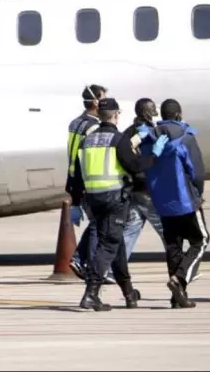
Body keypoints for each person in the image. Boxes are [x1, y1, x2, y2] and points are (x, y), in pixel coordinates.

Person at [77, 98, 170, 311]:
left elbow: (76, 173)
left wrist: (75, 201)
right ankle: (91, 292)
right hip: (114, 200)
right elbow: (135, 165)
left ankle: (129, 294)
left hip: (92, 199)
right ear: (116, 115)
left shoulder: (87, 140)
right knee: (108, 245)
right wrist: (154, 155)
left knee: (116, 245)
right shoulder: (118, 140)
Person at [139, 99, 208, 309]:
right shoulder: (185, 137)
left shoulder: (150, 137)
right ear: (178, 115)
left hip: (162, 200)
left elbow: (145, 166)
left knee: (173, 246)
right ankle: (179, 279)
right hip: (185, 199)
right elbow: (196, 170)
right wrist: (199, 193)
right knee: (201, 240)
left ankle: (177, 297)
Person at [66, 84, 116, 285]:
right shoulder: (93, 127)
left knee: (96, 224)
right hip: (88, 182)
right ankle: (93, 266)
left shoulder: (75, 123)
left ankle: (81, 260)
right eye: (103, 98)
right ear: (96, 101)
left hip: (74, 181)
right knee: (98, 226)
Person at [117, 98, 165, 262]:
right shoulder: (150, 133)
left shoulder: (128, 132)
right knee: (166, 230)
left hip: (134, 189)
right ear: (145, 112)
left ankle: (111, 269)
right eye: (152, 109)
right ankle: (181, 269)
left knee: (131, 230)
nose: (154, 112)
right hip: (148, 189)